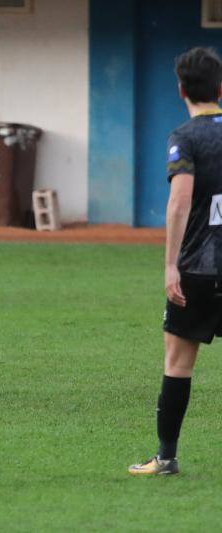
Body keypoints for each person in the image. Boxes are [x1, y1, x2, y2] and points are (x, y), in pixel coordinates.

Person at [128, 47, 222, 475]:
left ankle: (166, 458)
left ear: (181, 89)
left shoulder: (184, 136)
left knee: (178, 363)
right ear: (220, 88)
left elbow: (180, 200)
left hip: (199, 269)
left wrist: (170, 266)